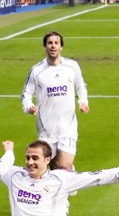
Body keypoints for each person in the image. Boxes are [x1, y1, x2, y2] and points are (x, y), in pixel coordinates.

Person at [21, 31, 89, 171]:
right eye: (50, 43)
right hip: (46, 129)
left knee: (64, 166)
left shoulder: (72, 66)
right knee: (50, 169)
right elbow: (26, 93)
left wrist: (83, 102)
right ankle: (71, 176)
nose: (53, 46)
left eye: (56, 43)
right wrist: (28, 106)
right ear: (45, 46)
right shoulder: (36, 70)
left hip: (68, 127)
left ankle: (70, 173)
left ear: (61, 47)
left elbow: (80, 85)